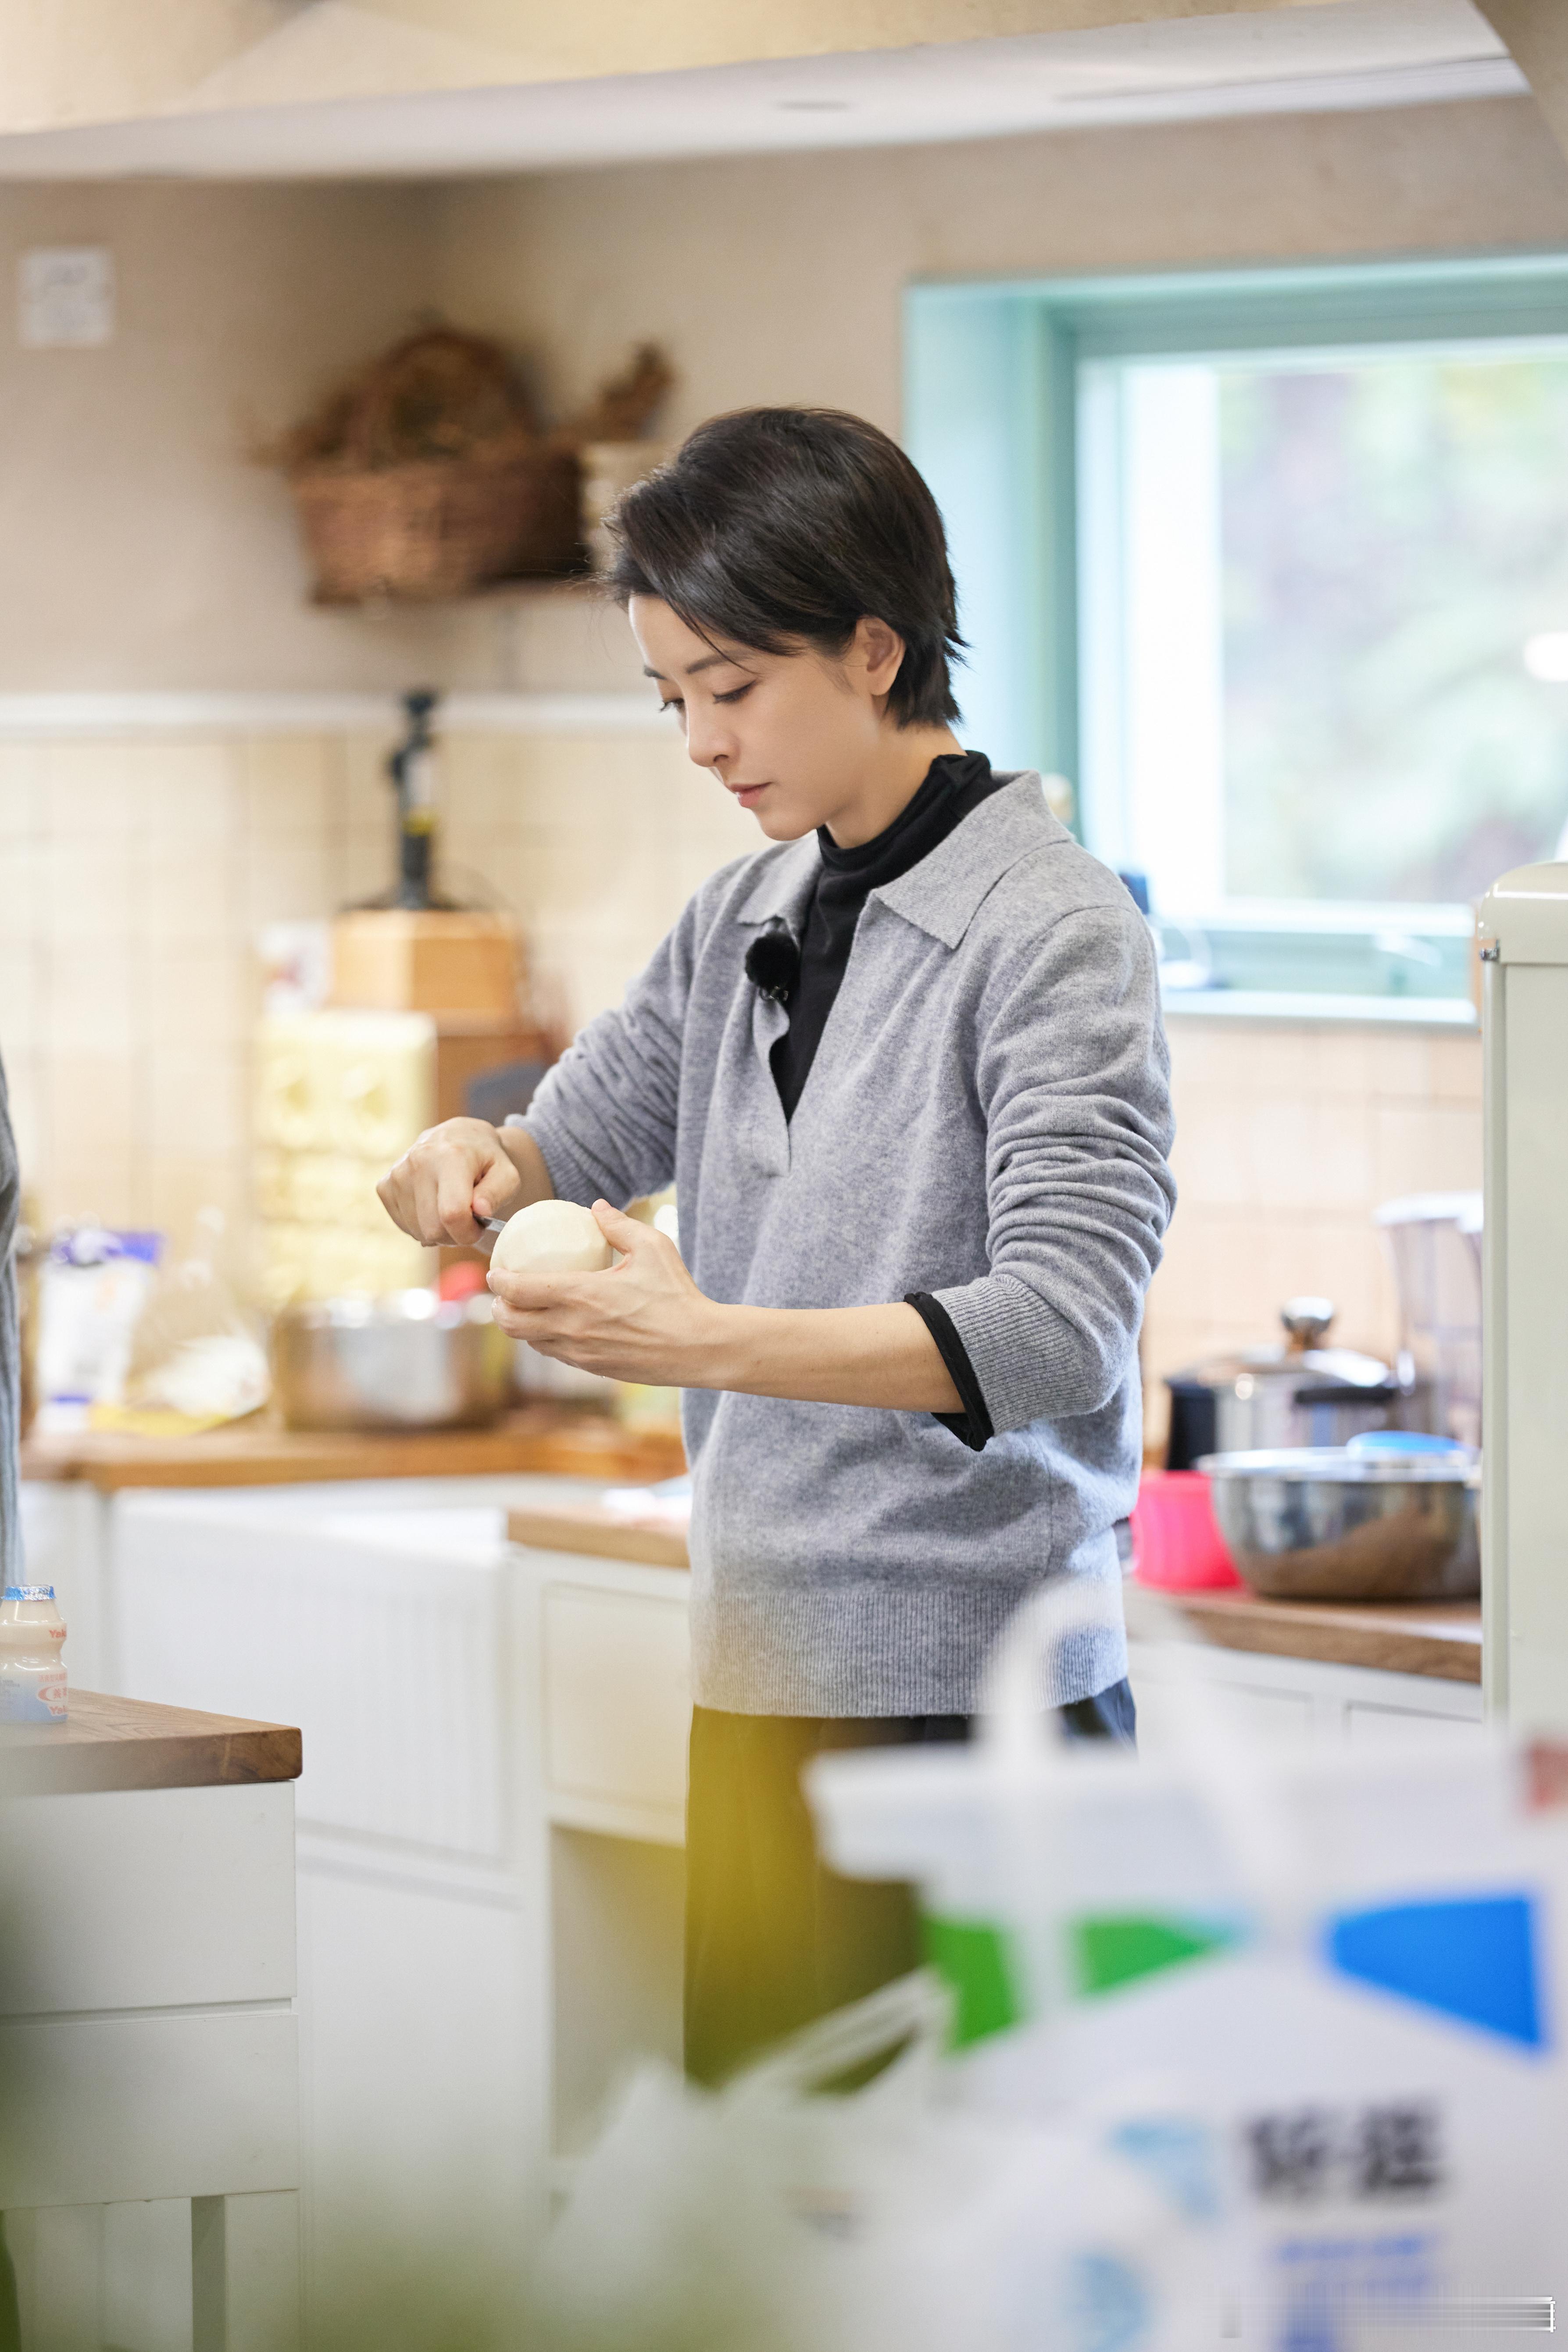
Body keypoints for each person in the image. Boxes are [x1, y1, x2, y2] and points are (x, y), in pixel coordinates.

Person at [377, 407, 1176, 2084]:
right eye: (674, 698)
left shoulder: (1055, 929)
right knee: (775, 2262)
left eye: (732, 688)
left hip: (992, 1720)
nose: (700, 742)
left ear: (877, 649)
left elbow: (1061, 1325)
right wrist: (475, 1156)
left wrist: (708, 1337)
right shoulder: (738, 916)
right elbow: (563, 1146)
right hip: (758, 1690)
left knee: (986, 2278)